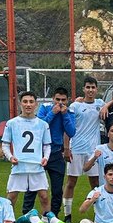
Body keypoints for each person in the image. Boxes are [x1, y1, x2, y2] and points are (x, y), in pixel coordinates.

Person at [22, 86, 75, 216]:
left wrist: (64, 114)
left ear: (67, 100)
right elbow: (39, 126)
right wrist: (53, 112)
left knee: (57, 190)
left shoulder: (69, 112)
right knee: (32, 188)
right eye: (57, 99)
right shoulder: (45, 108)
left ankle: (53, 218)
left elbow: (71, 132)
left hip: (56, 153)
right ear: (53, 99)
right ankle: (27, 218)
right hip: (39, 154)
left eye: (63, 100)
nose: (60, 103)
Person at [1, 91, 51, 212]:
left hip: (37, 166)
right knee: (11, 197)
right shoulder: (11, 123)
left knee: (44, 197)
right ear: (20, 104)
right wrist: (10, 157)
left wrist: (46, 158)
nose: (28, 104)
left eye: (31, 102)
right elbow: (5, 144)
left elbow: (47, 146)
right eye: (25, 101)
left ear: (36, 104)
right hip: (19, 166)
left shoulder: (43, 124)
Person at [64, 76, 105, 221]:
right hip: (76, 149)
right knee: (71, 182)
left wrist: (107, 104)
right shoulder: (75, 106)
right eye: (88, 87)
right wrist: (66, 148)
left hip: (93, 151)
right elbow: (67, 127)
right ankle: (67, 214)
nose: (90, 90)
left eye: (93, 87)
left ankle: (97, 213)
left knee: (95, 183)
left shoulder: (100, 103)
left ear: (97, 89)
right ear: (83, 89)